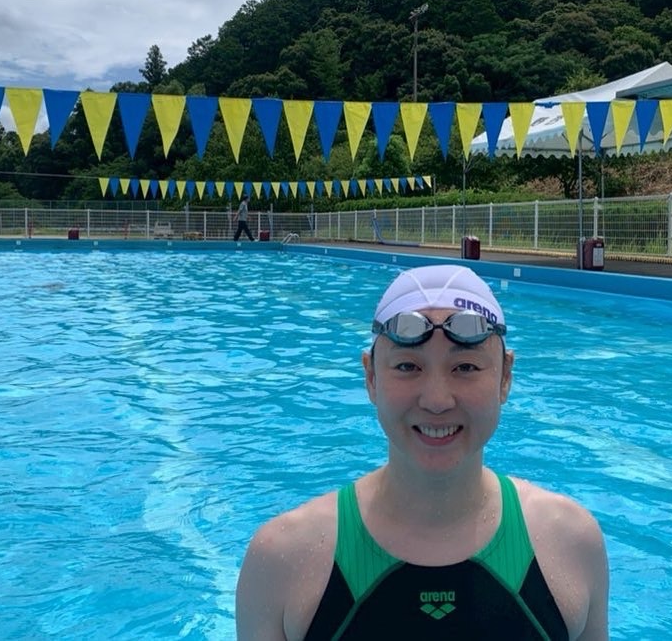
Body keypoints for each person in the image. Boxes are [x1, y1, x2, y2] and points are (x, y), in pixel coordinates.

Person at [236, 264, 609, 640]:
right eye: (407, 366)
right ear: (371, 377)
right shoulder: (282, 559)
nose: (436, 400)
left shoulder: (571, 540)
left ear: (505, 377)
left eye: (465, 366)